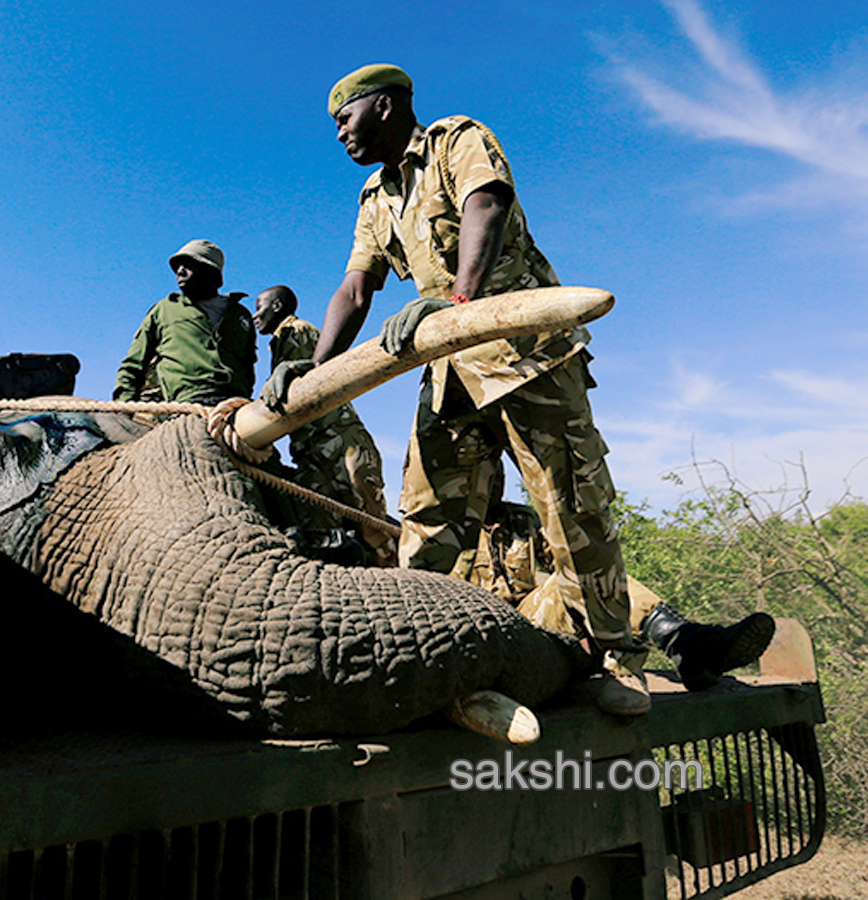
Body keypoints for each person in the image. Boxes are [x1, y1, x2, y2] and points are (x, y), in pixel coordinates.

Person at [265, 64, 773, 714]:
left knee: (570, 505)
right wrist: (314, 369)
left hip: (524, 351)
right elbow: (356, 288)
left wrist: (456, 298)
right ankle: (424, 658)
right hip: (447, 368)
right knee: (426, 522)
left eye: (345, 118)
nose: (339, 133)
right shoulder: (374, 197)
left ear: (385, 107)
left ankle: (613, 660)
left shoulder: (457, 139)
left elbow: (487, 204)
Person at [253, 285, 396, 565]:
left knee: (373, 534)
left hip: (339, 444)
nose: (255, 316)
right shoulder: (281, 340)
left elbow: (317, 372)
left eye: (260, 307)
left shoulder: (297, 332)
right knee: (323, 538)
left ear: (278, 307)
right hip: (312, 450)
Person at [114, 240, 256, 406]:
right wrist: (123, 406)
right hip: (185, 404)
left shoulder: (240, 315)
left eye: (188, 265)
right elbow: (133, 364)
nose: (180, 271)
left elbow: (248, 366)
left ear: (211, 271)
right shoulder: (163, 310)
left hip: (235, 404)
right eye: (178, 267)